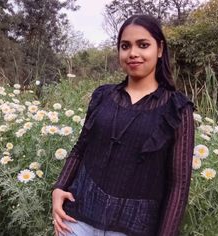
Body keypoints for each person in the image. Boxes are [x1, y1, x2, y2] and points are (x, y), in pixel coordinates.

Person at [52, 14, 194, 236]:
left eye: (143, 45)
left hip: (133, 228)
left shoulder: (176, 109)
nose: (133, 53)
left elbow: (178, 184)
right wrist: (60, 187)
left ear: (159, 49)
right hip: (77, 217)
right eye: (125, 46)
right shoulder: (103, 96)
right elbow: (81, 148)